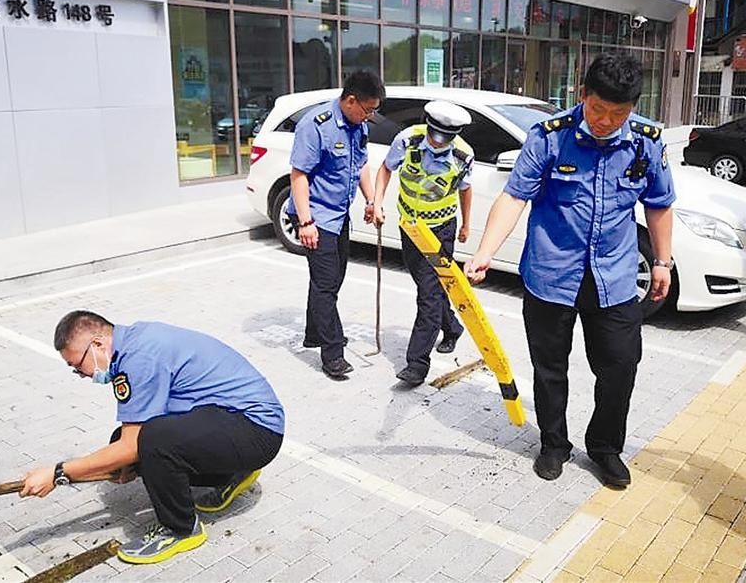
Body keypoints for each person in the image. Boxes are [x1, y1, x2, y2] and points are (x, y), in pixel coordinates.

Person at [464, 53, 675, 488]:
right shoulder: (549, 137)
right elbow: (513, 196)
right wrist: (485, 250)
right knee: (550, 368)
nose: (606, 121)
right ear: (583, 96)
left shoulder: (646, 141)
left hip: (614, 280)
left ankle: (605, 448)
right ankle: (554, 443)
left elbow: (659, 205)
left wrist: (662, 261)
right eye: (598, 110)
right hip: (550, 274)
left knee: (620, 366)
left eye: (619, 113)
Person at [20, 311, 285, 565]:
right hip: (233, 422)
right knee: (131, 443)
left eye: (77, 365)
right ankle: (230, 474)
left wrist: (57, 473)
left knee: (153, 442)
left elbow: (134, 445)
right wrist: (123, 465)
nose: (81, 375)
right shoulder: (136, 342)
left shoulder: (138, 357)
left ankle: (180, 529)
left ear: (98, 344)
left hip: (257, 430)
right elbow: (127, 441)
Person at [288, 70, 385, 379]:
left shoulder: (358, 126)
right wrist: (306, 222)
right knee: (327, 284)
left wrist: (371, 200)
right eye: (367, 109)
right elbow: (299, 175)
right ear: (351, 100)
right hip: (314, 216)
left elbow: (360, 166)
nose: (369, 115)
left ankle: (314, 333)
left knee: (329, 279)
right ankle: (332, 354)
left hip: (338, 214)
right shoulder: (316, 127)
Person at [372, 101, 474, 387]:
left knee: (428, 295)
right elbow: (385, 169)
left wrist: (466, 224)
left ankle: (416, 365)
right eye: (435, 135)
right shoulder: (407, 140)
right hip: (411, 227)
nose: (438, 142)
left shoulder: (463, 155)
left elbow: (465, 190)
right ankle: (452, 327)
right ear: (428, 125)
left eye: (445, 138)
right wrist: (377, 203)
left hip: (441, 230)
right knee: (429, 286)